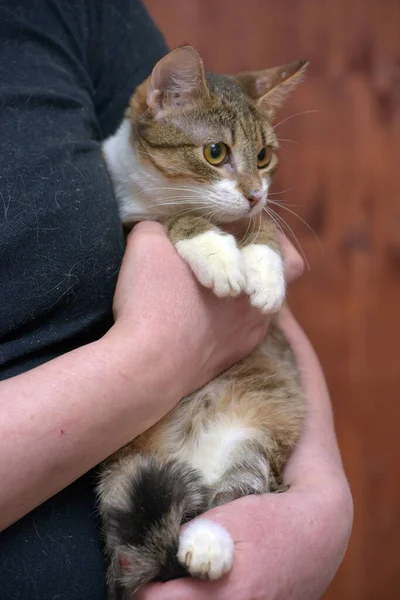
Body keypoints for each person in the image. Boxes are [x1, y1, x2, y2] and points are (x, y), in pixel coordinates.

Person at [0, 1, 353, 599]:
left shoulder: (75, 14)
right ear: (162, 100)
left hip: (233, 417)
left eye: (262, 159)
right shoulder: (151, 142)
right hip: (136, 470)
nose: (251, 188)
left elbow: (262, 288)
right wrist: (153, 358)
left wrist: (324, 504)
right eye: (222, 155)